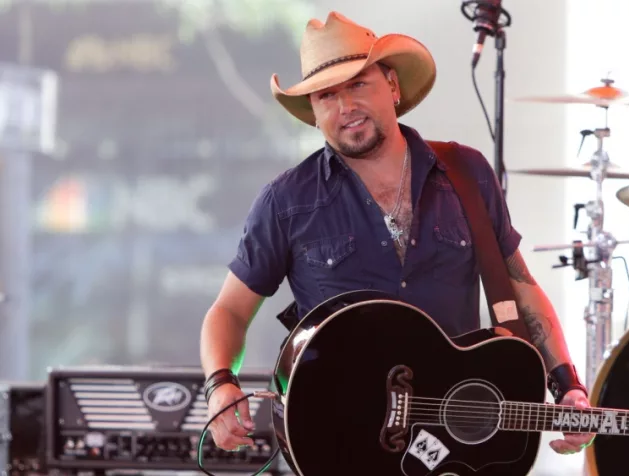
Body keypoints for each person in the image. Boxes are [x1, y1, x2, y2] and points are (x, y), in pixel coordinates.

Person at [199, 11, 594, 459]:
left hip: (452, 448)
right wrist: (220, 383)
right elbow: (228, 310)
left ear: (392, 85)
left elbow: (521, 288)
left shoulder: (466, 173)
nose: (345, 106)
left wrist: (568, 387)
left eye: (358, 85)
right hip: (334, 443)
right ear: (313, 111)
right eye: (327, 95)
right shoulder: (286, 200)